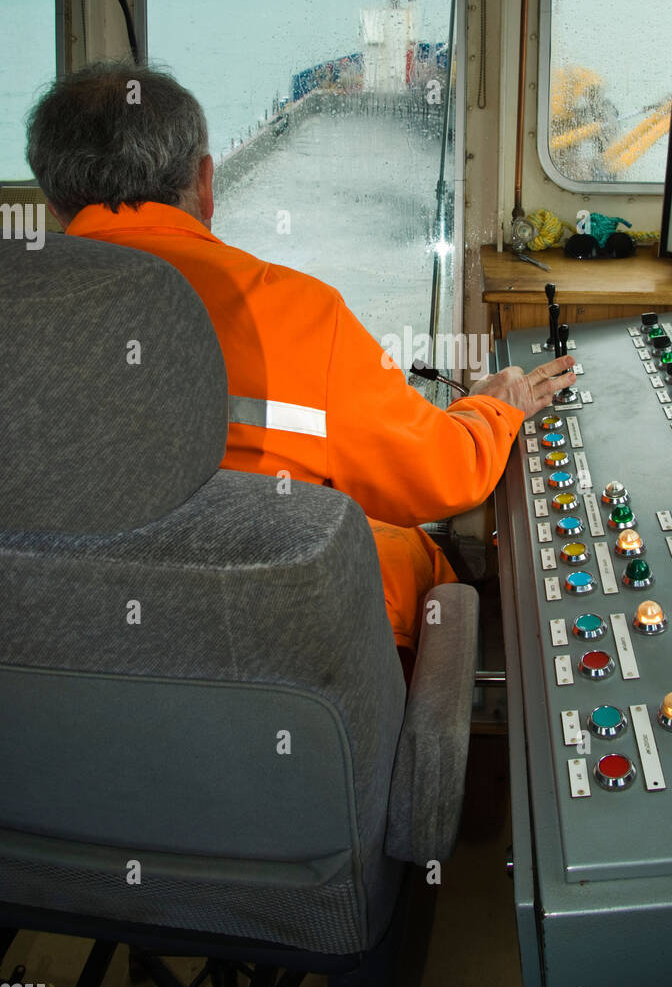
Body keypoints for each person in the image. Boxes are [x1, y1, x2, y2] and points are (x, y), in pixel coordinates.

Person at [26, 64, 574, 676]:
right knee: (411, 560)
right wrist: (493, 406)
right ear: (205, 182)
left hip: (49, 651)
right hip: (262, 659)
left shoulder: (18, 312)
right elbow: (442, 477)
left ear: (52, 201)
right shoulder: (295, 311)